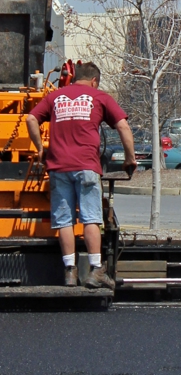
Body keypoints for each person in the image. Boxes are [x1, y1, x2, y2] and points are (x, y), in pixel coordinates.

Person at [26, 62, 137, 289]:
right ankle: (96, 270)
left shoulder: (55, 97)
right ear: (94, 81)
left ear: (75, 78)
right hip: (86, 166)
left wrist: (39, 147)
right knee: (91, 218)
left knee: (64, 220)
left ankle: (70, 272)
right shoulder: (99, 97)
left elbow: (30, 119)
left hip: (58, 167)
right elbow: (123, 127)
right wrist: (130, 158)